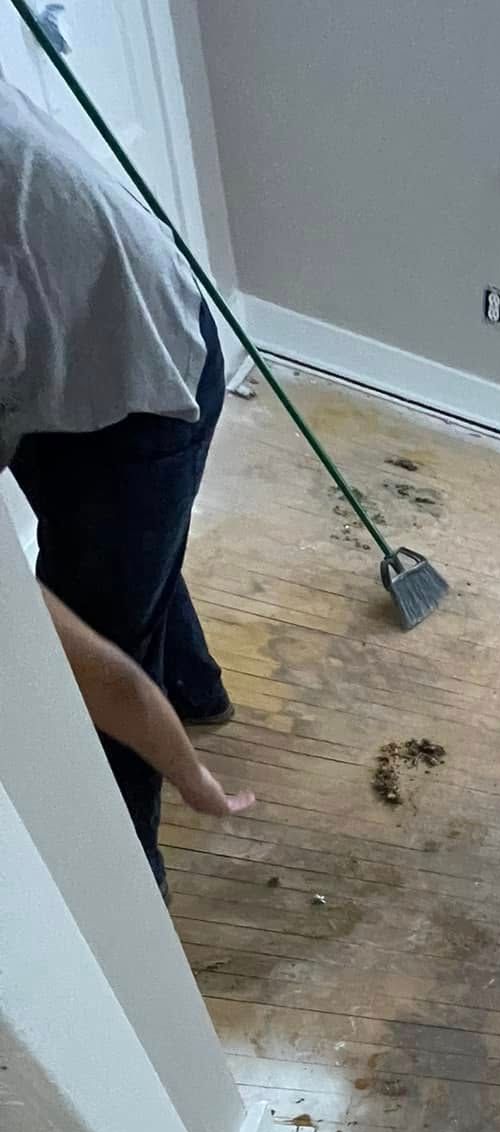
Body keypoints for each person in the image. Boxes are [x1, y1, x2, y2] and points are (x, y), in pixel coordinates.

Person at [1, 79, 252, 895]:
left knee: (112, 606)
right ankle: (197, 688)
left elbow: (95, 676)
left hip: (150, 379)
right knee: (134, 563)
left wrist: (190, 782)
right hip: (79, 350)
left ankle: (132, 896)